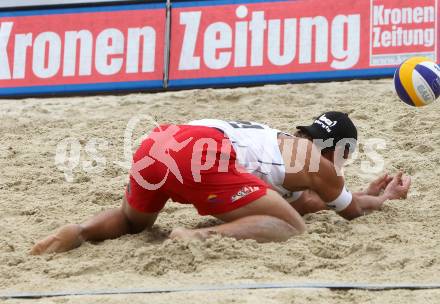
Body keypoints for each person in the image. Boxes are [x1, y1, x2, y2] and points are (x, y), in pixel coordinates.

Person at [31, 112, 411, 254]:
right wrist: (384, 198)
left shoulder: (281, 142)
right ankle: (197, 237)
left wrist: (359, 193)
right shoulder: (322, 167)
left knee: (132, 222)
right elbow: (351, 211)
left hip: (161, 139)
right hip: (205, 153)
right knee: (291, 228)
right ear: (338, 153)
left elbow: (309, 202)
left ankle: (78, 232)